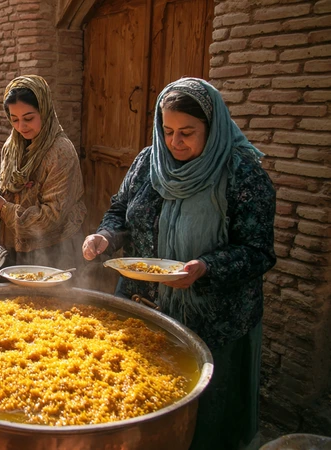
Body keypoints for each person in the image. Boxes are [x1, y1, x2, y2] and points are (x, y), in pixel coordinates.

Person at [81, 78, 276, 450]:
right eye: (167, 131)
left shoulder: (243, 175)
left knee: (203, 419)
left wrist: (206, 267)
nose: (175, 142)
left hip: (212, 320)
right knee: (137, 400)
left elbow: (257, 252)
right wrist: (105, 236)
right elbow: (120, 210)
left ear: (213, 127)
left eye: (187, 132)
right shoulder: (147, 162)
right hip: (143, 307)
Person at [0, 75, 86, 270]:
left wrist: (3, 207)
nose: (21, 127)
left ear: (45, 110)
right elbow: (9, 188)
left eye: (28, 118)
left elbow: (51, 217)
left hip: (50, 251)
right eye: (14, 119)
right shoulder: (13, 145)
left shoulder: (60, 152)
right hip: (11, 244)